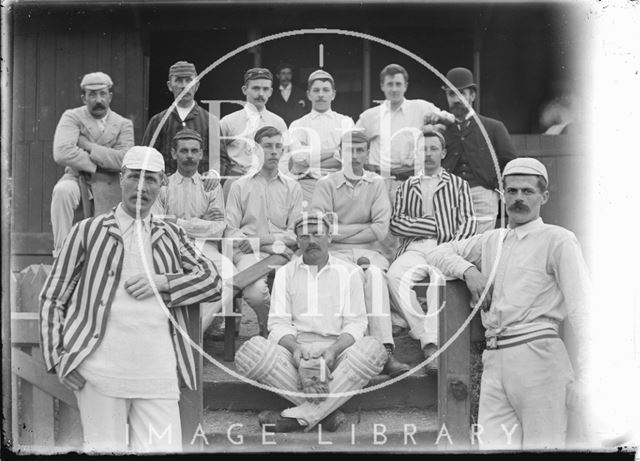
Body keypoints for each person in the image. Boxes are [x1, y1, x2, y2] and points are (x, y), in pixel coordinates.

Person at [40, 146, 222, 453]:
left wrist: (163, 282)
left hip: (158, 371)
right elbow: (53, 296)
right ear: (121, 179)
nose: (142, 187)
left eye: (151, 180)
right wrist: (58, 356)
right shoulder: (88, 231)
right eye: (135, 177)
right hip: (99, 370)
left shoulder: (172, 234)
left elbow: (213, 281)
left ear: (162, 183)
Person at [425, 157, 590, 449]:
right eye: (512, 191)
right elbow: (437, 253)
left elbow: (583, 310)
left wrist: (588, 375)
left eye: (527, 192)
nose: (518, 199)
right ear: (502, 196)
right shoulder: (492, 240)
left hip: (539, 356)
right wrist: (469, 271)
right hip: (495, 358)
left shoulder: (559, 240)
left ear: (544, 196)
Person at [234, 212, 388, 432]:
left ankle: (304, 415)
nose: (312, 241)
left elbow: (356, 324)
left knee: (372, 350)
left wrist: (333, 351)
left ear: (329, 238)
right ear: (297, 241)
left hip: (337, 351)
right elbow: (278, 324)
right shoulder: (285, 273)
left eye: (317, 234)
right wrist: (296, 351)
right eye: (304, 236)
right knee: (251, 353)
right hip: (297, 350)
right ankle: (327, 414)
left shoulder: (350, 272)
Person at [310, 130, 409, 377]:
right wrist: (361, 228)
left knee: (375, 276)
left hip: (370, 252)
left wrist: (339, 229)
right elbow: (320, 230)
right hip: (335, 253)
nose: (354, 156)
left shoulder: (376, 183)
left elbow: (379, 230)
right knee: (353, 276)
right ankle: (357, 353)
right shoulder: (326, 184)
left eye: (359, 150)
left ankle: (384, 352)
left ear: (366, 153)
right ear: (340, 153)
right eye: (349, 150)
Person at [386, 131, 476, 370]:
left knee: (440, 278)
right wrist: (433, 224)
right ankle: (424, 332)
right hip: (414, 247)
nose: (428, 154)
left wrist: (453, 247)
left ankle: (430, 346)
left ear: (443, 153)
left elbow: (468, 222)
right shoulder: (407, 186)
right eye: (423, 149)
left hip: (446, 246)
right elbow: (396, 224)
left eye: (433, 149)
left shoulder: (458, 185)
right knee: (395, 275)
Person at [151, 128, 236, 334]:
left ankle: (197, 329)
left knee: (230, 275)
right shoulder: (164, 185)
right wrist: (200, 222)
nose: (189, 156)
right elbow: (157, 223)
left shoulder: (211, 185)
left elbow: (217, 229)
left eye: (194, 151)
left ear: (201, 154)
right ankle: (168, 327)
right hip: (172, 247)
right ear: (173, 154)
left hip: (205, 248)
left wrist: (177, 222)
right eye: (184, 151)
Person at [224, 126, 303, 334]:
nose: (274, 151)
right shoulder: (239, 186)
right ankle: (271, 326)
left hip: (283, 252)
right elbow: (231, 230)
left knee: (305, 283)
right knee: (255, 293)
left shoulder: (293, 187)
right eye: (268, 146)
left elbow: (295, 233)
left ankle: (295, 331)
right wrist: (257, 244)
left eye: (279, 147)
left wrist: (259, 240)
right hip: (248, 252)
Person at [50, 72, 134, 257]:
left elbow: (124, 160)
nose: (98, 100)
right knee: (62, 191)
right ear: (83, 97)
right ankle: (62, 253)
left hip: (111, 182)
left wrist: (87, 145)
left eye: (102, 94)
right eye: (92, 95)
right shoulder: (72, 117)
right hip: (77, 176)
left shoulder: (123, 124)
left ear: (110, 96)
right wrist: (101, 164)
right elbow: (62, 152)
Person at [441, 67, 517, 234]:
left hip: (483, 195)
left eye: (462, 93)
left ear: (472, 96)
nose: (456, 99)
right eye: (451, 94)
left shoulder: (493, 127)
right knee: (450, 246)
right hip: (449, 198)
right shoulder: (442, 130)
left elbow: (510, 163)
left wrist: (498, 189)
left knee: (479, 247)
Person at [289, 69, 355, 205]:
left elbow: (348, 157)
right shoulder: (298, 124)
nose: (320, 95)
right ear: (308, 94)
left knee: (338, 225)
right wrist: (334, 151)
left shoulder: (345, 122)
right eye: (316, 90)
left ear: (333, 94)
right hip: (307, 187)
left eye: (325, 90)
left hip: (339, 186)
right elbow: (298, 158)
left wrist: (309, 159)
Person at [142, 61, 219, 176]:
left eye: (189, 80)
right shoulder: (158, 121)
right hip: (166, 188)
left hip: (201, 188)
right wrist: (157, 174)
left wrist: (214, 173)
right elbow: (146, 156)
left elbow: (220, 157)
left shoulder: (210, 121)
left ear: (196, 85)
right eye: (178, 80)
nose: (184, 85)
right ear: (169, 86)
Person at [220, 68, 288, 177]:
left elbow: (285, 157)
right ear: (244, 90)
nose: (261, 94)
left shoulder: (278, 123)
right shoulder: (228, 122)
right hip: (236, 179)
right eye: (256, 88)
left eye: (265, 89)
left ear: (270, 92)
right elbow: (217, 156)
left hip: (268, 180)